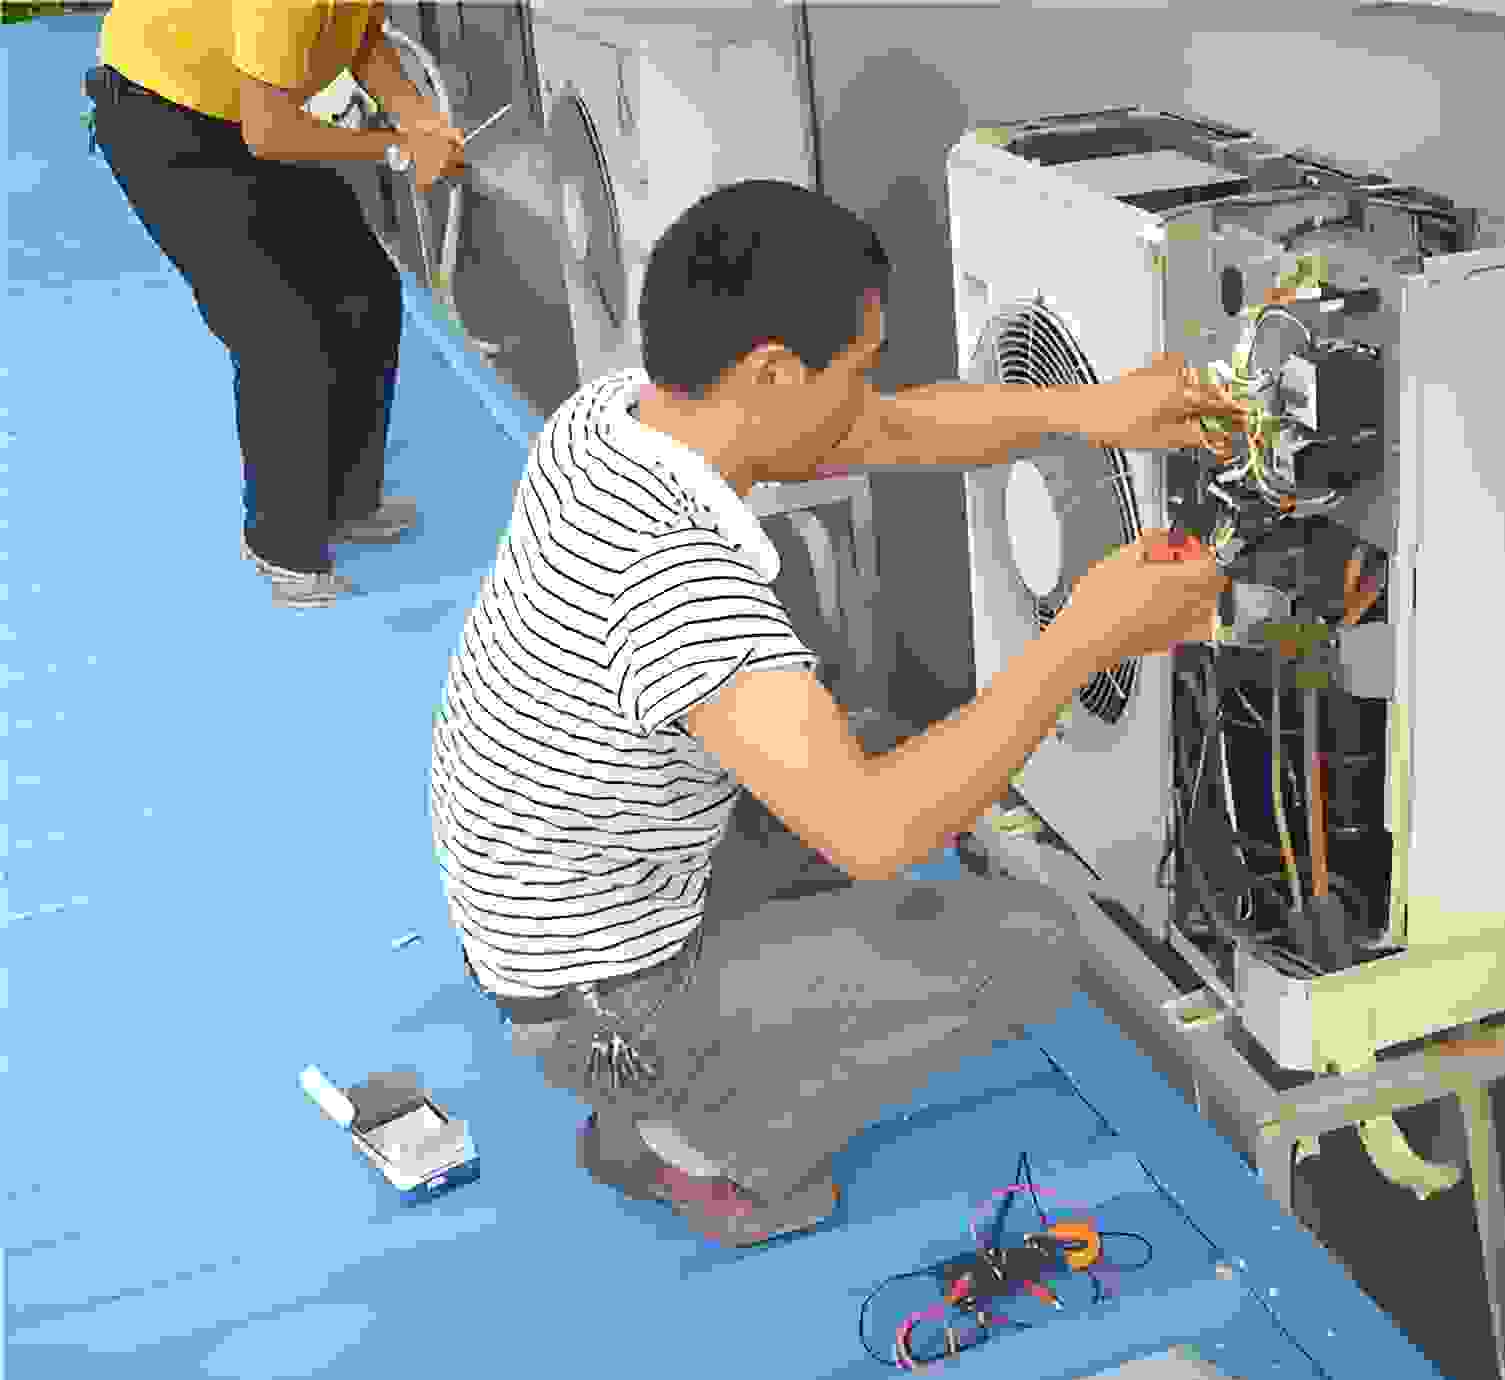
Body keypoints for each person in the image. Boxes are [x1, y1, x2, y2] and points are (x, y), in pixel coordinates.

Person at [429, 178, 1244, 1246]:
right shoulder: (680, 589)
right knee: (1029, 946)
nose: (870, 396)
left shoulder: (618, 416)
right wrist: (1084, 637)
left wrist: (1090, 412)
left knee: (879, 756)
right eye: (855, 367)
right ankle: (701, 1147)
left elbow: (888, 427)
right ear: (771, 371)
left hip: (546, 897)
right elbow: (874, 834)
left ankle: (657, 1070)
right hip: (594, 992)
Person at [86, 1, 466, 607]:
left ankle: (348, 500)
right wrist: (397, 145)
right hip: (161, 117)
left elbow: (363, 38)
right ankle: (282, 544)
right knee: (282, 331)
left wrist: (420, 120)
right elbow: (270, 134)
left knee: (365, 286)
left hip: (250, 106)